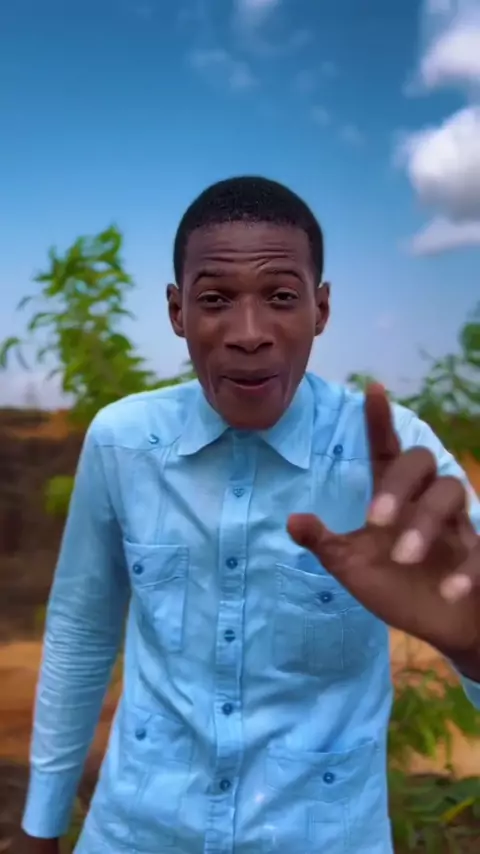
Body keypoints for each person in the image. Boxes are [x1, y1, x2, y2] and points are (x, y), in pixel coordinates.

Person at [20, 176, 480, 854]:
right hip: (134, 833)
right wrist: (41, 825)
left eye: (282, 297)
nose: (249, 334)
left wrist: (472, 647)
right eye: (215, 299)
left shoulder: (393, 456)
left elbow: (468, 605)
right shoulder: (122, 443)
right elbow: (82, 631)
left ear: (321, 308)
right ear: (177, 311)